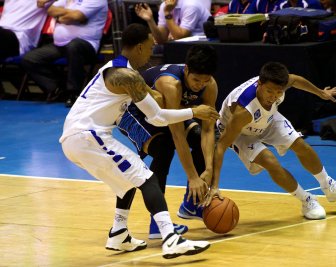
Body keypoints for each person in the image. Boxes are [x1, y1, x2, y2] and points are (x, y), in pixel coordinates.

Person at [59, 23, 218, 258]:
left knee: (129, 177)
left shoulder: (124, 71)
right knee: (147, 177)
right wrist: (194, 112)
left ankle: (119, 234)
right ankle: (170, 238)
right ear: (141, 46)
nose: (152, 51)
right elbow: (158, 117)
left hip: (83, 137)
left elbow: (155, 103)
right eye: (151, 46)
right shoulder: (126, 75)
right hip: (86, 136)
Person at [203, 62, 336, 220]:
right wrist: (214, 185)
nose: (273, 96)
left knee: (300, 145)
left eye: (278, 92)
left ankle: (328, 185)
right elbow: (220, 146)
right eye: (269, 91)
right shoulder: (243, 110)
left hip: (268, 118)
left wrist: (321, 93)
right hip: (240, 132)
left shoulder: (281, 83)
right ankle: (307, 200)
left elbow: (296, 79)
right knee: (270, 161)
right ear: (259, 84)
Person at [116, 45, 218, 239]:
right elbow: (177, 134)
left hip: (163, 112)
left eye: (205, 81)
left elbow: (208, 129)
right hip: (132, 111)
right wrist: (194, 177)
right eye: (196, 80)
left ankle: (191, 204)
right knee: (164, 148)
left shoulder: (210, 85)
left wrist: (209, 168)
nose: (200, 85)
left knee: (198, 138)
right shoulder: (171, 84)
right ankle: (157, 223)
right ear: (187, 69)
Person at [21, 0, 108, 107]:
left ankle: (73, 93)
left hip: (86, 45)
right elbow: (50, 10)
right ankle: (59, 88)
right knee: (30, 59)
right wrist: (68, 15)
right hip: (60, 45)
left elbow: (77, 16)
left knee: (74, 46)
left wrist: (61, 16)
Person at [134, 0, 211, 45]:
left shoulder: (191, 5)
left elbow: (180, 37)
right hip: (182, 45)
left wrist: (167, 13)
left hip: (202, 44)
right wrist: (150, 20)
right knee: (154, 49)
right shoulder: (164, 5)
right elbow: (161, 39)